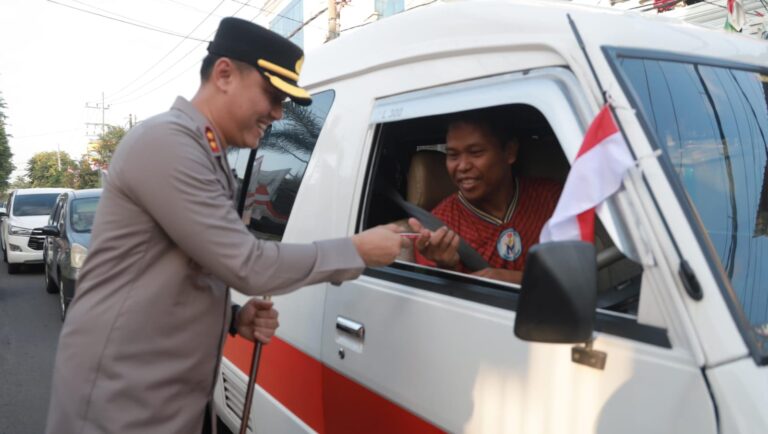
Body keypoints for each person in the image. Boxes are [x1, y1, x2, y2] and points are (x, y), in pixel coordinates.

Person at [46, 17, 404, 434]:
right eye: (271, 95)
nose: (277, 113)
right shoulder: (168, 144)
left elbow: (182, 271)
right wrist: (357, 250)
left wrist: (232, 317)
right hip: (122, 403)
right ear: (224, 74)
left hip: (159, 399)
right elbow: (246, 264)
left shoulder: (204, 152)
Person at [410, 111, 562, 284]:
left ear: (510, 152)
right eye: (453, 155)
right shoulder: (438, 229)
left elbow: (574, 274)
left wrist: (511, 279)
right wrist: (445, 268)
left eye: (475, 152)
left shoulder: (550, 198)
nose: (462, 166)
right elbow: (437, 303)